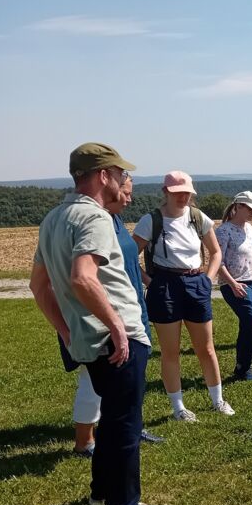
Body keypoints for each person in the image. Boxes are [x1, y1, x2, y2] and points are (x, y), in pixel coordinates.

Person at [30, 142, 173, 505]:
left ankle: (101, 493)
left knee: (111, 417)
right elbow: (82, 277)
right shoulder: (94, 217)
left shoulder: (54, 218)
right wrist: (117, 327)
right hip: (117, 339)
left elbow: (38, 286)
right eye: (122, 173)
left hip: (89, 339)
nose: (125, 180)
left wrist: (66, 330)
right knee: (125, 423)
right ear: (103, 175)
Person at [67, 176, 163, 457]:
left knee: (132, 376)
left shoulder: (116, 219)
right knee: (93, 381)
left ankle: (130, 426)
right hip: (104, 314)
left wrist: (146, 283)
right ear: (109, 189)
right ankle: (85, 441)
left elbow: (128, 261)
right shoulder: (92, 222)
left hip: (131, 307)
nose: (130, 199)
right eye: (126, 193)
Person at [133, 171, 233, 421]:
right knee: (170, 352)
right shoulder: (151, 221)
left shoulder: (198, 217)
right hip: (164, 285)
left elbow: (216, 252)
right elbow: (129, 256)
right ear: (165, 192)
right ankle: (178, 408)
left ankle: (218, 401)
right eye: (177, 193)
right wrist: (151, 282)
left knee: (206, 348)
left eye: (187, 193)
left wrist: (207, 279)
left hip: (195, 282)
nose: (183, 197)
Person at [215, 191, 252, 381]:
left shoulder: (248, 228)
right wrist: (233, 284)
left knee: (247, 327)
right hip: (236, 286)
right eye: (250, 209)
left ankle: (241, 368)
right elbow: (218, 262)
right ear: (238, 206)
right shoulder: (223, 231)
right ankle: (245, 367)